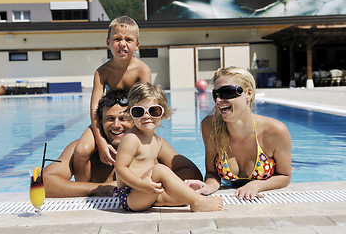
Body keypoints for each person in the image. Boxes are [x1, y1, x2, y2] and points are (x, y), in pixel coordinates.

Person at [43, 89, 202, 198]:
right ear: (100, 122)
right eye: (110, 119)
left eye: (123, 119)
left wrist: (155, 188)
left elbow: (192, 172)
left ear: (134, 119)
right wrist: (101, 189)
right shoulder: (82, 148)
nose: (116, 125)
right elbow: (45, 182)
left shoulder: (151, 144)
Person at [185, 66, 291, 200]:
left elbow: (285, 176)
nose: (218, 100)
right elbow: (212, 172)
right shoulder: (210, 126)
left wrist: (256, 185)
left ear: (248, 93)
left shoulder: (275, 131)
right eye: (216, 94)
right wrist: (208, 186)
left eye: (226, 92)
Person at [114, 82, 223, 212]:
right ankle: (198, 202)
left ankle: (192, 197)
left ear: (163, 113)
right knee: (160, 169)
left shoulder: (157, 141)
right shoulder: (131, 139)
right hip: (131, 194)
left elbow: (187, 167)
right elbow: (120, 168)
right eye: (139, 111)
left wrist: (184, 184)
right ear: (131, 114)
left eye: (154, 111)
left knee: (185, 194)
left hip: (150, 192)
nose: (146, 116)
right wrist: (141, 184)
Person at [73, 15, 151, 181]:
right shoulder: (102, 72)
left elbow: (147, 108)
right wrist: (101, 142)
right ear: (108, 43)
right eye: (117, 39)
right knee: (80, 152)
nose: (122, 43)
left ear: (136, 45)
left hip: (133, 122)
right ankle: (83, 190)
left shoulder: (142, 71)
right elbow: (95, 109)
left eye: (128, 39)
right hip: (108, 121)